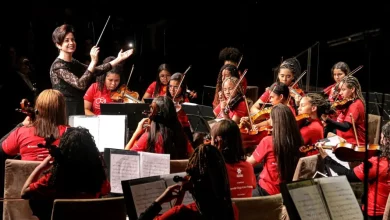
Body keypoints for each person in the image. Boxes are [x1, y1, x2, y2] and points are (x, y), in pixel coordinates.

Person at [21, 127, 110, 220]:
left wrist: (40, 167)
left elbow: (24, 193)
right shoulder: (99, 180)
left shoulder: (52, 180)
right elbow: (106, 191)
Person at [50, 24, 133, 118]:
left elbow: (96, 71)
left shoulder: (73, 62)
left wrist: (118, 59)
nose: (71, 43)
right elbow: (80, 85)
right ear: (58, 45)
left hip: (77, 106)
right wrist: (93, 61)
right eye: (66, 40)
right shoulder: (58, 66)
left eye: (72, 39)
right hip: (65, 109)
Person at [138, 144, 239, 219]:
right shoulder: (231, 209)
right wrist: (180, 196)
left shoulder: (181, 213)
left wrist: (159, 202)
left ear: (192, 180)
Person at [317, 121, 390, 219]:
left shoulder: (380, 164)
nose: (380, 142)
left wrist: (326, 158)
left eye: (382, 138)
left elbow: (348, 175)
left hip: (374, 214)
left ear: (387, 141)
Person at [247, 104, 303, 196]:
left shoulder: (268, 141)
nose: (269, 121)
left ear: (275, 121)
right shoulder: (299, 140)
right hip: (287, 191)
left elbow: (249, 163)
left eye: (270, 118)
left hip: (267, 190)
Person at [0, 89, 68, 161]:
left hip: (30, 172)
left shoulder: (21, 132)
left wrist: (21, 125)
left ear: (37, 109)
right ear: (62, 110)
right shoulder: (71, 134)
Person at [125, 96, 193, 159]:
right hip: (177, 172)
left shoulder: (149, 138)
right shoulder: (181, 137)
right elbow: (193, 156)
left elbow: (125, 156)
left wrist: (136, 133)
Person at [211, 119, 256, 198]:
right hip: (246, 209)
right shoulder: (249, 167)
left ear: (217, 142)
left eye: (211, 138)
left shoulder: (214, 169)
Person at [321, 76, 366, 145]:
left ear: (352, 89)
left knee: (319, 144)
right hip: (341, 138)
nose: (340, 93)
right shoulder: (348, 102)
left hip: (352, 143)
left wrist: (327, 120)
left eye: (343, 89)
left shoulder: (355, 105)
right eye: (340, 90)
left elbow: (345, 127)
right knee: (321, 140)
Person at [166, 72, 193, 145]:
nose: (172, 89)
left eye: (176, 87)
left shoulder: (185, 101)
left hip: (183, 131)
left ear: (182, 87)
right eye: (170, 86)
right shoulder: (166, 99)